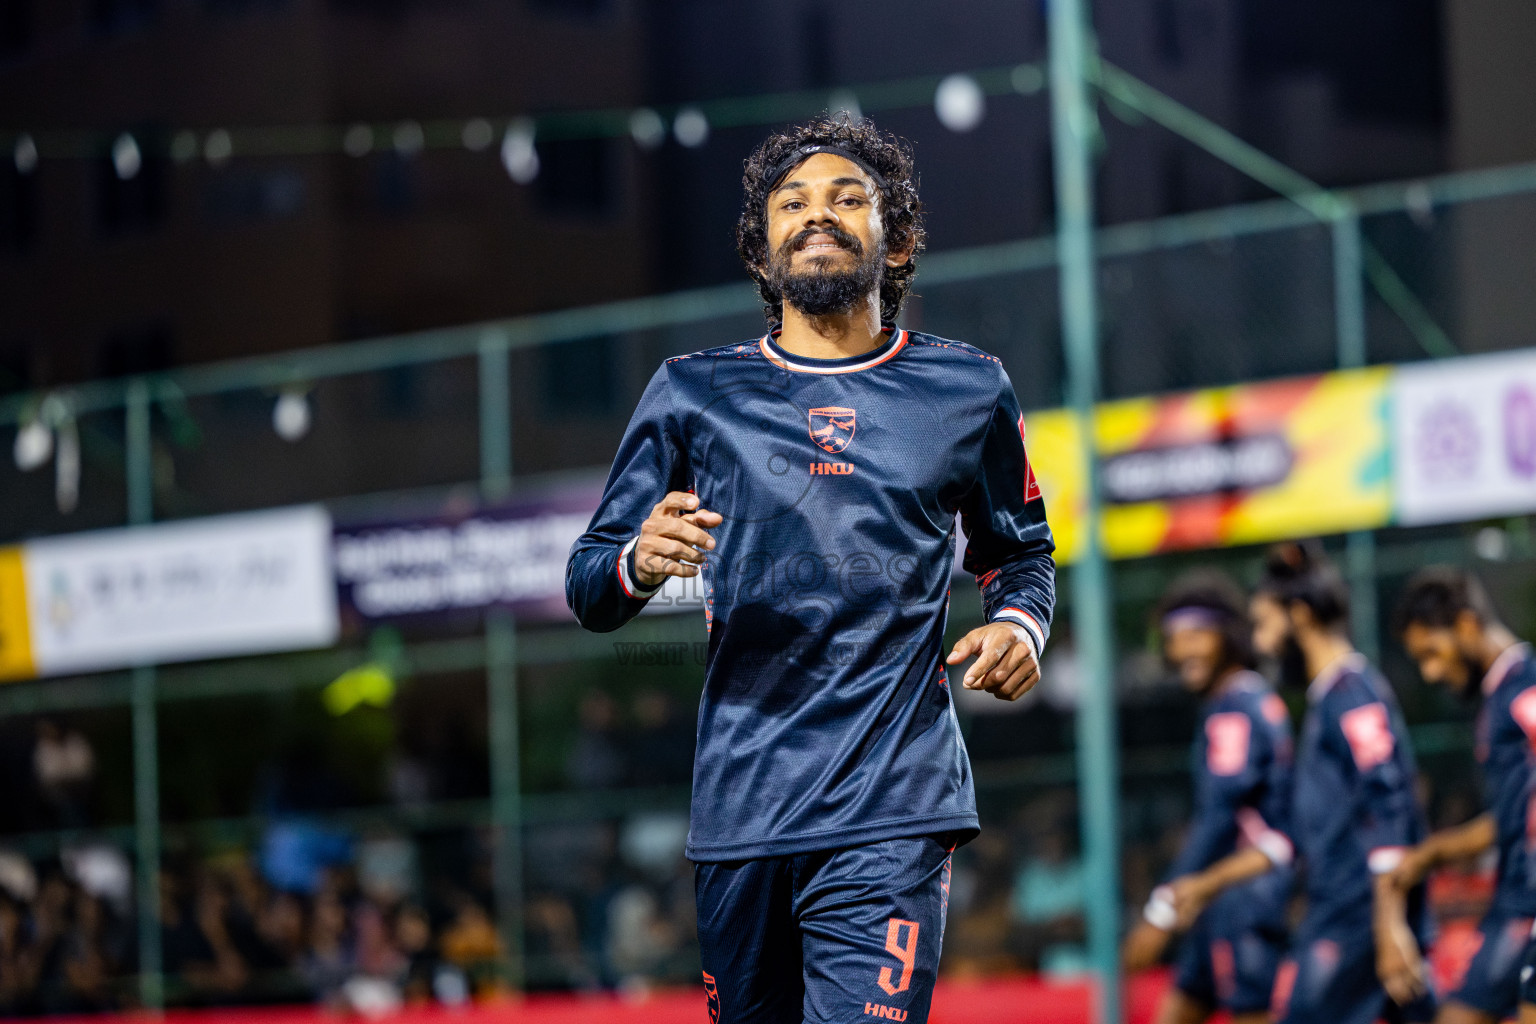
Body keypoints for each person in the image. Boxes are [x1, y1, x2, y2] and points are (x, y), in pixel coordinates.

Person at [565, 116, 1055, 1024]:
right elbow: (589, 582)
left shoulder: (969, 388)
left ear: (896, 239)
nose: (816, 214)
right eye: (791, 203)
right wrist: (638, 561)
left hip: (894, 805)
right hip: (741, 811)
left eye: (847, 198)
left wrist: (1020, 624)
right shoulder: (691, 392)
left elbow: (1021, 552)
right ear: (761, 253)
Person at [1171, 542, 1434, 1024]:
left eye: (1267, 624)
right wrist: (1206, 884)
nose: (1263, 644)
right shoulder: (1325, 700)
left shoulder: (1352, 694)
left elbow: (1391, 801)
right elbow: (1291, 834)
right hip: (1343, 913)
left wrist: (1388, 921)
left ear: (1300, 616)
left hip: (1357, 918)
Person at [1121, 571, 1294, 1024]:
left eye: (1199, 634)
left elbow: (1220, 818)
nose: (1185, 649)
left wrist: (1160, 911)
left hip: (1244, 897)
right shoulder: (1235, 703)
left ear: (1229, 635)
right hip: (1213, 898)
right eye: (1175, 637)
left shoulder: (1236, 711)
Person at [1385, 567, 1536, 1024]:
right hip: (1512, 901)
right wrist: (1434, 852)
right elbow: (1512, 816)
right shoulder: (1499, 696)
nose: (1430, 672)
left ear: (1468, 626)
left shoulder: (1523, 687)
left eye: (1433, 652)